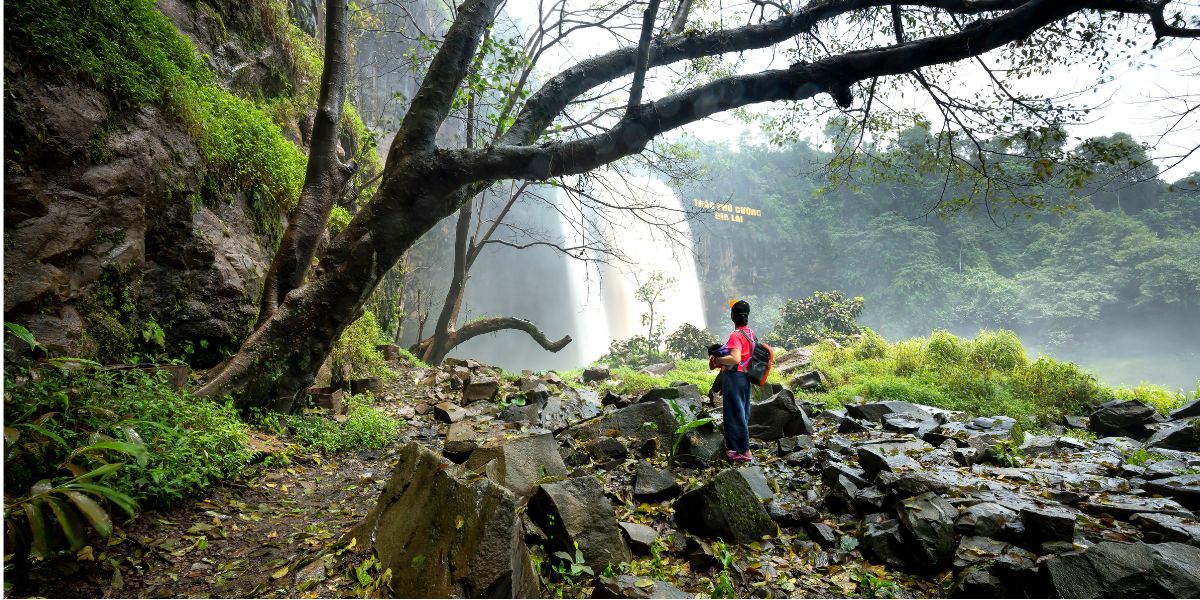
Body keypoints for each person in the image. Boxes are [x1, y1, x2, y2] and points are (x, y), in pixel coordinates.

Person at [710, 299, 755, 463]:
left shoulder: (735, 335)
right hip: (746, 377)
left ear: (732, 317)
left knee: (734, 413)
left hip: (735, 377)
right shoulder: (750, 333)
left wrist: (718, 360)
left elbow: (735, 359)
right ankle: (741, 448)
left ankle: (743, 451)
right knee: (742, 412)